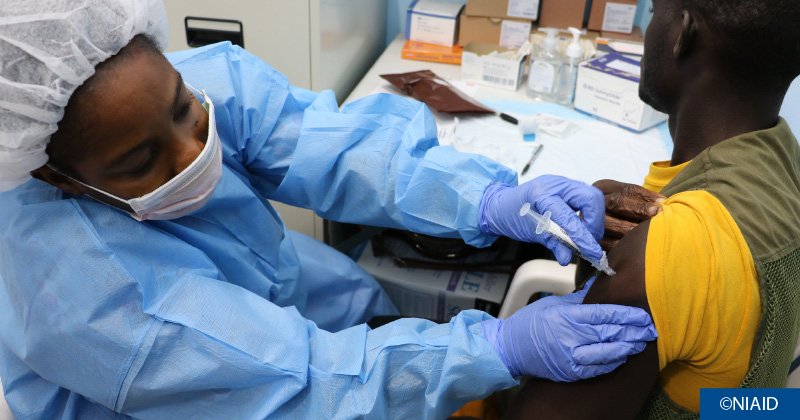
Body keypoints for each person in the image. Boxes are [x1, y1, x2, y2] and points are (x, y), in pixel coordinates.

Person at [0, 1, 658, 419]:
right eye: (142, 161)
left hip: (298, 309)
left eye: (185, 111)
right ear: (56, 174)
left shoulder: (158, 83)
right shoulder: (84, 295)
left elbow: (330, 145)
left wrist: (490, 198)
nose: (195, 151)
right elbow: (296, 385)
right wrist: (497, 348)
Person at [503, 0, 800, 418]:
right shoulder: (783, 159)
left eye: (653, 12)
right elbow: (768, 402)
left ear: (684, 33)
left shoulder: (675, 252)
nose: (646, 29)